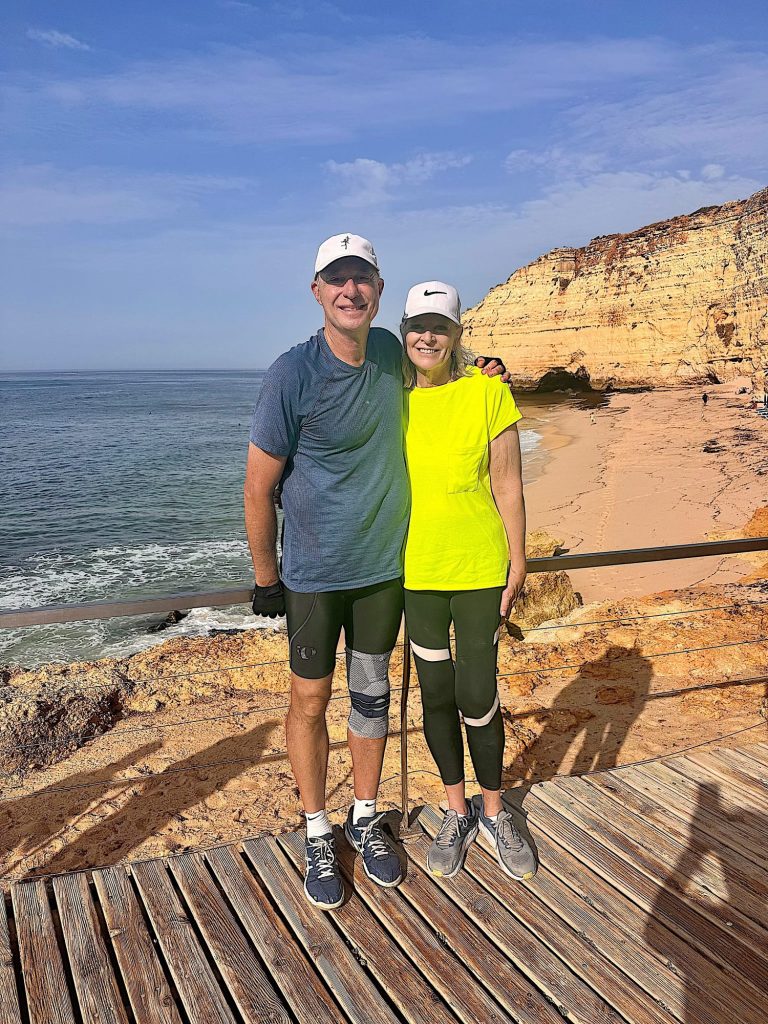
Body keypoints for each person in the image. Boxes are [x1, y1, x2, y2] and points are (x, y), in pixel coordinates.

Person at [245, 235, 506, 910]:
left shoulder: (391, 352)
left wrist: (486, 369)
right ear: (317, 292)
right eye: (337, 279)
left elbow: (444, 362)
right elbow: (256, 487)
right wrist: (266, 576)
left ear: (378, 292)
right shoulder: (290, 374)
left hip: (382, 573)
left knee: (371, 698)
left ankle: (364, 818)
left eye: (362, 279)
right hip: (312, 576)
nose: (350, 291)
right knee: (307, 700)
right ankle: (314, 830)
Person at [400, 281, 537, 882]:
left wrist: (519, 558)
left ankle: (494, 809)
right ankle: (455, 811)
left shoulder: (488, 394)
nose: (427, 336)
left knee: (479, 695)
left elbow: (507, 482)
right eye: (417, 326)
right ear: (404, 333)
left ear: (457, 334)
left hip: (480, 567)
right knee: (435, 697)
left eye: (439, 326)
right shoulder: (390, 399)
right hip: (416, 572)